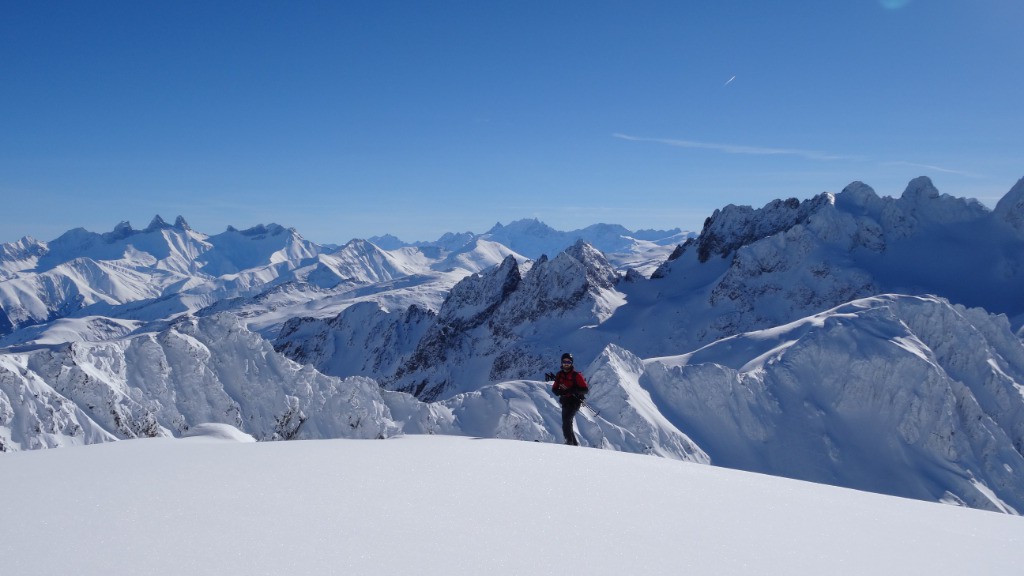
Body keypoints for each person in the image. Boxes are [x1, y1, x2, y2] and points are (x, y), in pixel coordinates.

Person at [548, 352, 589, 446]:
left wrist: (574, 390)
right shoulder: (559, 375)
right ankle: (574, 444)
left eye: (569, 362)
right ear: (561, 363)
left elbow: (585, 390)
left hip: (575, 402)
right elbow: (554, 388)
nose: (566, 364)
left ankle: (569, 442)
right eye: (564, 361)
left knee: (566, 421)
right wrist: (559, 392)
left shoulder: (576, 375)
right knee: (567, 422)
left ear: (572, 363)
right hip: (565, 401)